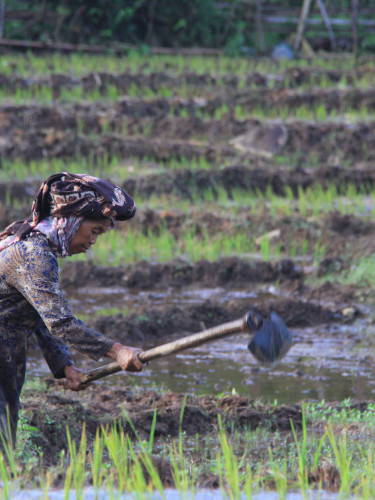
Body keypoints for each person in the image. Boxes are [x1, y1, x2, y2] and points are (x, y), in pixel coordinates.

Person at [0, 172, 144, 447]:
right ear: (71, 220)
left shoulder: (33, 245)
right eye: (95, 231)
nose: (93, 241)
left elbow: (40, 314)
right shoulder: (34, 255)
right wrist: (117, 351)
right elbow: (60, 322)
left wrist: (64, 366)